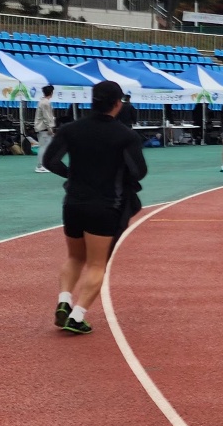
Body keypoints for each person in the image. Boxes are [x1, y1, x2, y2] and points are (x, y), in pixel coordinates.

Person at [43, 81, 147, 335]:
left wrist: (72, 174)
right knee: (97, 264)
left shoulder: (71, 129)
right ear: (117, 104)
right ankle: (77, 316)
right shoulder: (126, 135)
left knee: (75, 257)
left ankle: (64, 301)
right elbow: (139, 171)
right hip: (105, 206)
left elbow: (50, 161)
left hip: (74, 203)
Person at [34, 85, 56, 173]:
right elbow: (46, 117)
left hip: (42, 127)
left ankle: (42, 165)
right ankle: (42, 165)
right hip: (44, 128)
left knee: (44, 146)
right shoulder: (45, 103)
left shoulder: (42, 101)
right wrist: (50, 129)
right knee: (44, 147)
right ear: (51, 93)